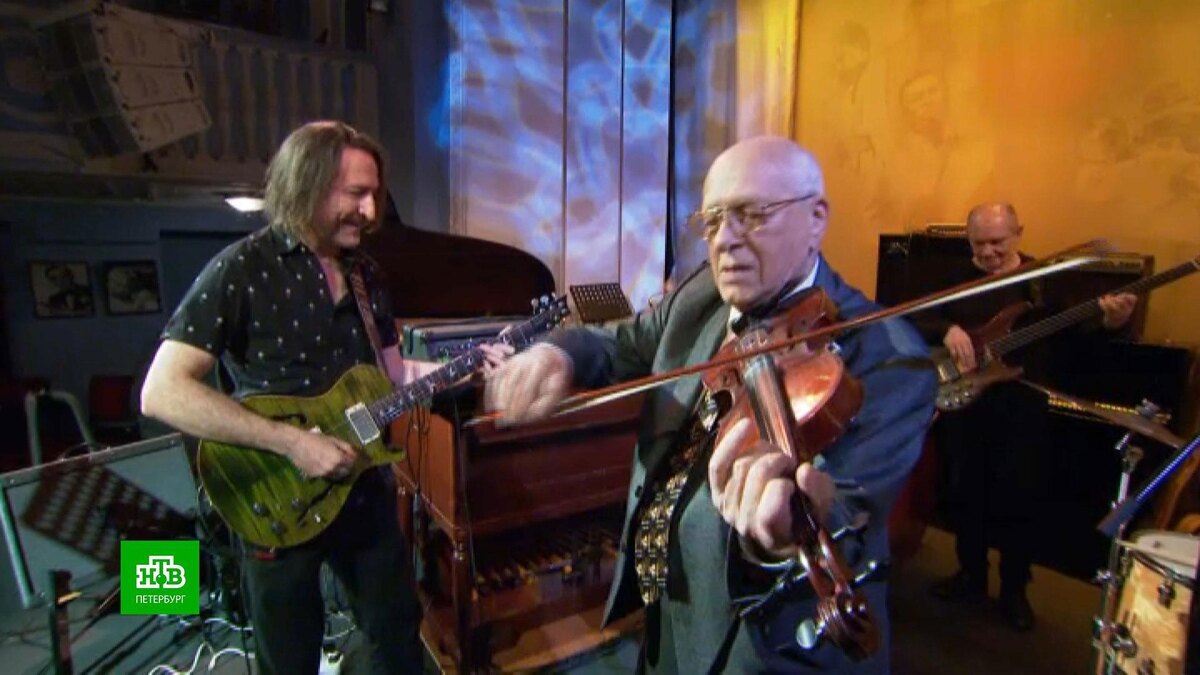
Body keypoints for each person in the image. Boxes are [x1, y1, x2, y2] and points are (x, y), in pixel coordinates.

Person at [484, 136, 937, 673]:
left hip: (765, 649)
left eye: (753, 215)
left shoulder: (890, 360)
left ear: (816, 219)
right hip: (666, 616)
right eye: (714, 220)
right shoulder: (701, 296)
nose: (725, 240)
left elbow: (846, 515)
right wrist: (560, 352)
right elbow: (621, 341)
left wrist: (776, 541)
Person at [140, 120, 510, 674]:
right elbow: (162, 392)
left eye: (374, 195)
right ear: (306, 184)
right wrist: (292, 443)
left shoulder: (367, 276)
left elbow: (393, 373)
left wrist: (468, 365)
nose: (370, 211)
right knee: (290, 656)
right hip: (275, 495)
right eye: (355, 194)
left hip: (361, 488)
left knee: (397, 632)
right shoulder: (241, 269)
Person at [918, 202, 1136, 631]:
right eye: (979, 244)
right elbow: (914, 317)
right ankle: (970, 574)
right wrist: (946, 329)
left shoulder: (1044, 281)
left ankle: (1014, 589)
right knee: (966, 492)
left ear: (1019, 233)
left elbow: (1081, 337)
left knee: (1018, 498)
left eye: (997, 242)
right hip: (967, 402)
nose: (988, 252)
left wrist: (1114, 323)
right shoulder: (953, 279)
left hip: (1022, 405)